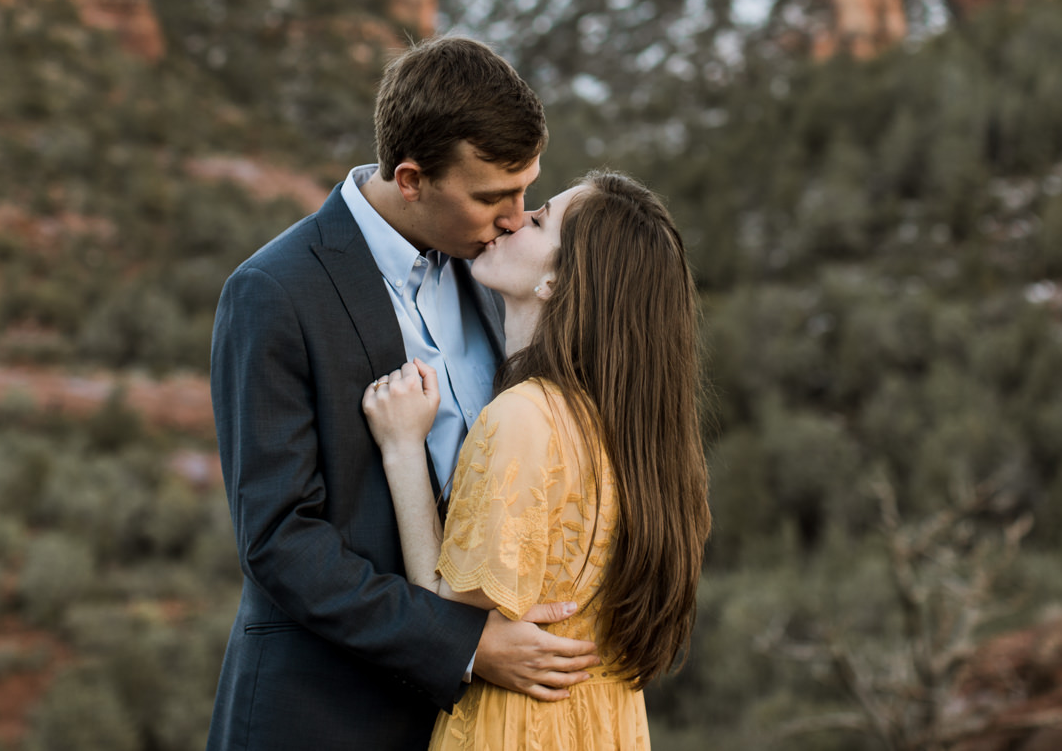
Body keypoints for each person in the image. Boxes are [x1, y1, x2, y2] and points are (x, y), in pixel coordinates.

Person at [208, 38, 601, 751]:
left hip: (477, 725)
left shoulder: (496, 277)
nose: (516, 217)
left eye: (526, 190)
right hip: (323, 715)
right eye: (492, 197)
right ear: (413, 178)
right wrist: (466, 644)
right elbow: (278, 539)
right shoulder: (273, 292)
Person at [362, 171, 710, 750]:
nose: (515, 218)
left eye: (541, 219)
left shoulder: (523, 419)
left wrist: (401, 449)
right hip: (608, 727)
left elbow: (445, 617)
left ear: (555, 279)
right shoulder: (628, 432)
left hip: (519, 729)